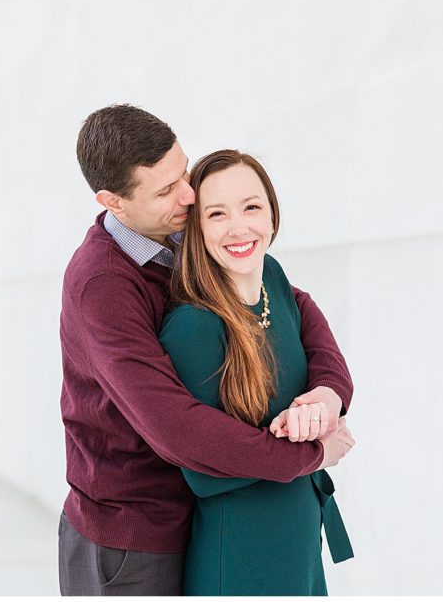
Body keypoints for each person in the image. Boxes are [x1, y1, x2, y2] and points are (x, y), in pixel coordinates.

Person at [59, 104, 355, 596]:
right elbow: (176, 428)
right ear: (113, 201)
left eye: (183, 173)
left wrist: (329, 393)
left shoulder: (180, 236)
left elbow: (291, 305)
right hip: (131, 535)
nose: (189, 196)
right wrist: (313, 454)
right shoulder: (103, 284)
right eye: (165, 190)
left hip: (199, 515)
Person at [159, 150, 354, 596]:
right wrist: (314, 452)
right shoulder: (195, 326)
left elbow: (321, 348)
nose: (239, 227)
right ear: (197, 228)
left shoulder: (274, 281)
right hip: (243, 555)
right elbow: (202, 467)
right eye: (217, 214)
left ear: (271, 213)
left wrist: (323, 400)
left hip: (299, 539)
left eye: (251, 207)